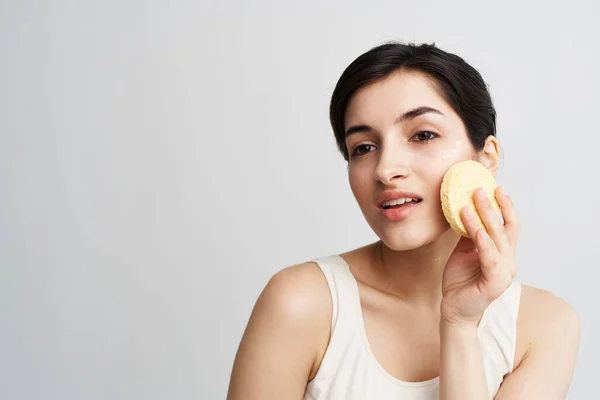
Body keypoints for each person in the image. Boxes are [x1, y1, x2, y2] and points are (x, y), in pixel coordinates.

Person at [226, 42, 580, 399]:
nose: (385, 169)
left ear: (486, 158)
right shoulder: (301, 303)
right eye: (363, 147)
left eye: (423, 135)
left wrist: (459, 324)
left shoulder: (543, 326)